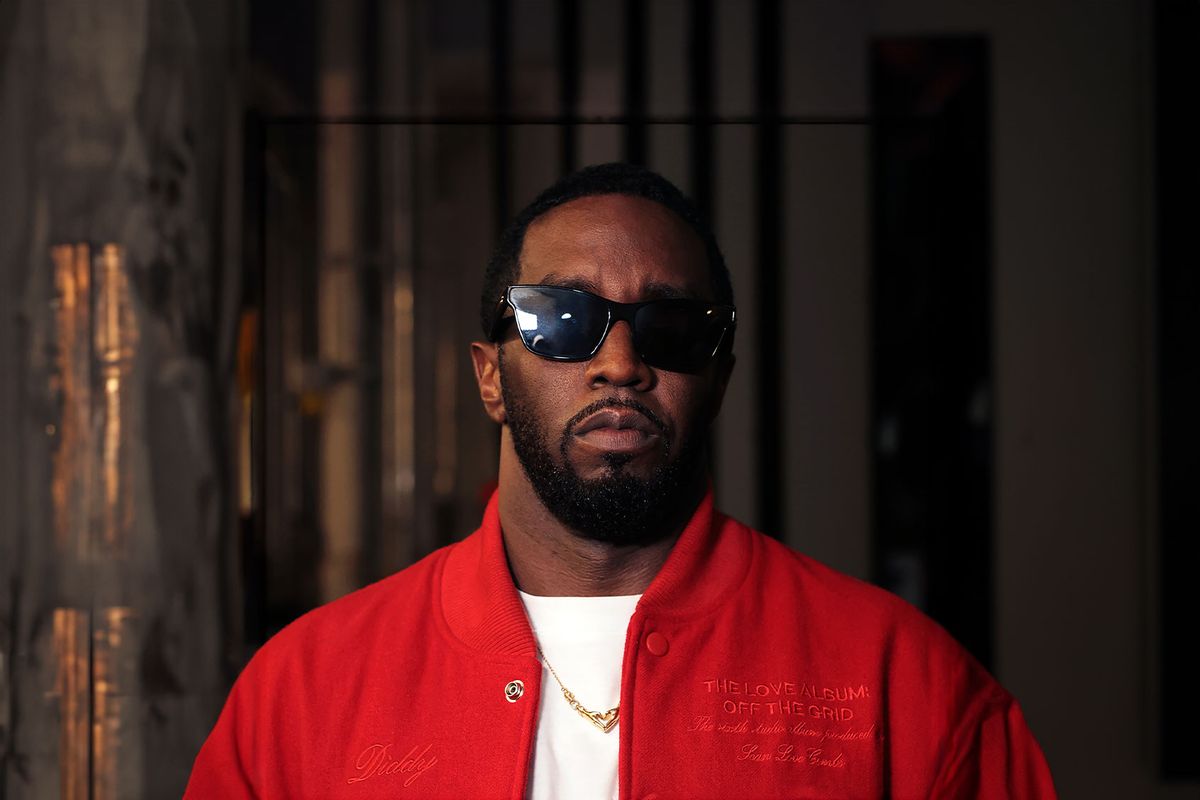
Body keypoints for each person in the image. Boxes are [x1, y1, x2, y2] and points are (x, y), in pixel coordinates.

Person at [185, 163, 1056, 799]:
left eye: (670, 327)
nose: (620, 363)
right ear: (491, 376)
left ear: (719, 378)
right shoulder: (301, 693)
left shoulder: (907, 687)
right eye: (565, 320)